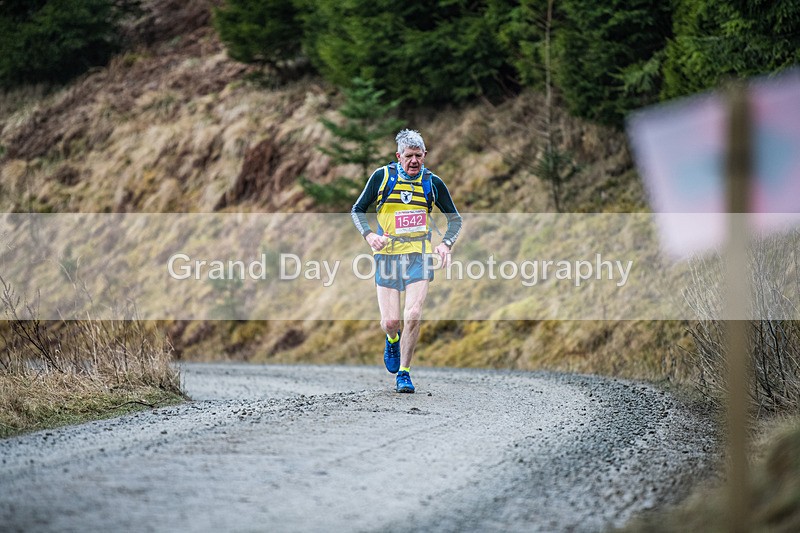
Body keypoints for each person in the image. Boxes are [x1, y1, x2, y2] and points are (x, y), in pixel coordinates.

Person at [351, 129, 462, 393]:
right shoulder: (382, 177)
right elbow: (357, 209)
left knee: (412, 314)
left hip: (419, 256)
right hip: (388, 257)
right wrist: (369, 236)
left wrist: (446, 244)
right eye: (409, 156)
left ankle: (404, 373)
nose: (414, 161)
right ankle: (392, 339)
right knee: (391, 322)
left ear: (425, 156)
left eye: (419, 156)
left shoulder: (432, 183)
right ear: (398, 156)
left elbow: (455, 219)